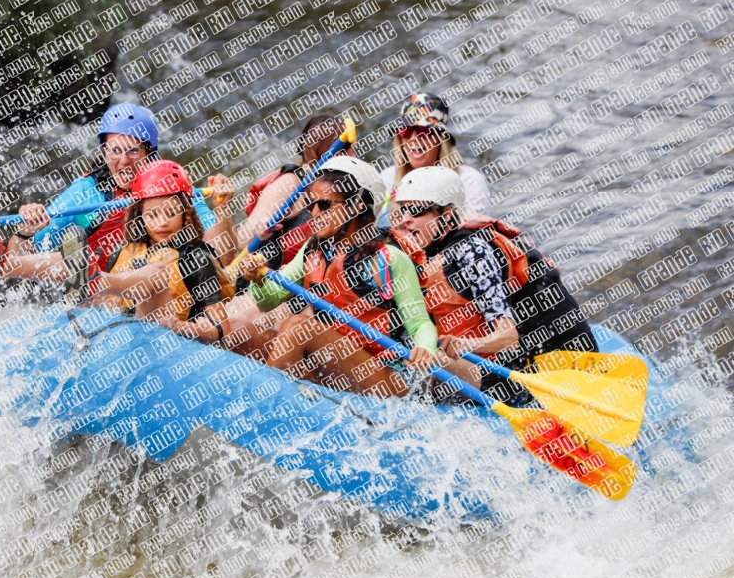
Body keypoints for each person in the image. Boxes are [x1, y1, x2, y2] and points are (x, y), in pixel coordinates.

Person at [0, 103, 236, 296]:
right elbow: (33, 254)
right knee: (73, 259)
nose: (122, 162)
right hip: (103, 297)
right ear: (103, 150)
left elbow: (221, 254)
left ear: (150, 152)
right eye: (114, 150)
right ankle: (2, 266)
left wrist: (222, 208)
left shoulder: (170, 183)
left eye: (133, 151)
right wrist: (26, 232)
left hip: (165, 289)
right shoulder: (87, 192)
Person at [384, 166, 596, 401]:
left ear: (446, 215)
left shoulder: (473, 252)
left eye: (416, 211)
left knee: (433, 357)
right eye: (403, 210)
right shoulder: (433, 251)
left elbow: (508, 338)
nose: (405, 221)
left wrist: (465, 344)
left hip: (550, 369)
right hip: (516, 360)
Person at [238, 156, 437, 399]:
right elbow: (268, 301)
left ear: (356, 206)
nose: (313, 213)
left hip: (387, 376)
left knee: (299, 327)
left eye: (324, 205)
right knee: (244, 335)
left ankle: (266, 408)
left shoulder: (390, 258)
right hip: (335, 363)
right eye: (311, 204)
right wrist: (257, 280)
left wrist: (425, 349)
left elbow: (420, 324)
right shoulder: (314, 248)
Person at [92, 159, 234, 345]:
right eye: (152, 215)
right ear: (139, 215)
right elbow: (108, 309)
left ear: (186, 213)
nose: (162, 222)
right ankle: (72, 275)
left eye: (171, 213)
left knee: (157, 273)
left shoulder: (196, 260)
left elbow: (223, 331)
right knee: (101, 301)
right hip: (129, 338)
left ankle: (94, 280)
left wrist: (187, 328)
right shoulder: (121, 253)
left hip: (173, 345)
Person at [238, 114, 367, 271]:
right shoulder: (291, 182)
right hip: (264, 282)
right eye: (353, 152)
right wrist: (261, 226)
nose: (357, 158)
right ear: (337, 153)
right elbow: (242, 239)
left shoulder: (336, 190)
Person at [377, 93, 491, 220]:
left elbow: (473, 235)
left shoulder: (469, 182)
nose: (414, 139)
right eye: (406, 130)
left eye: (424, 131)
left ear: (441, 139)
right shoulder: (386, 179)